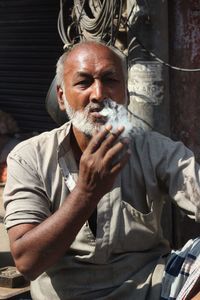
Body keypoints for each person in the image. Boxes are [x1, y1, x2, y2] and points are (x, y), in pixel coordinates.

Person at [3, 41, 200, 300]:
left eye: (110, 80)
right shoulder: (29, 157)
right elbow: (27, 262)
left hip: (150, 288)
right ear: (62, 97)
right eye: (84, 82)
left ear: (125, 94)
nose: (99, 94)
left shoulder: (156, 150)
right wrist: (87, 192)